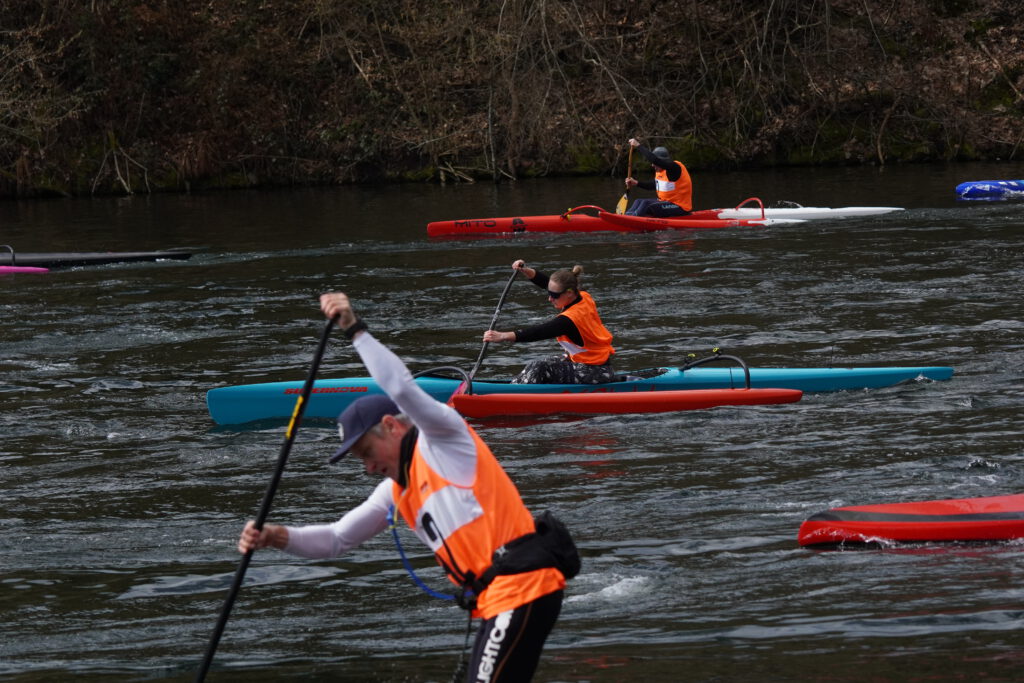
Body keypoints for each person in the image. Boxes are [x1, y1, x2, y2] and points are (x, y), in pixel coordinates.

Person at [238, 292, 577, 682]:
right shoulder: (395, 492)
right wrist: (275, 537)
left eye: (367, 451)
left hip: (522, 586)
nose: (368, 467)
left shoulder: (444, 439)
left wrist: (353, 328)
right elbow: (336, 539)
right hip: (498, 599)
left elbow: (400, 388)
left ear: (391, 426)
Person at [482, 260, 616, 384]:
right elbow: (547, 283)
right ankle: (516, 385)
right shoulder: (583, 296)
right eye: (549, 293)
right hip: (589, 362)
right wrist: (525, 270)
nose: (550, 299)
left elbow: (539, 332)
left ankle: (512, 393)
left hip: (595, 371)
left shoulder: (568, 320)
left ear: (569, 293)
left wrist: (503, 336)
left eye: (554, 296)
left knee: (539, 367)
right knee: (542, 363)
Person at [623, 137, 693, 217]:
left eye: (654, 163)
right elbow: (654, 185)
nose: (652, 165)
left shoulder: (674, 168)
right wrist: (636, 183)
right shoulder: (660, 171)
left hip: (680, 207)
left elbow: (655, 160)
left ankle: (632, 219)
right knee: (638, 201)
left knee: (646, 204)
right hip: (665, 202)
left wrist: (638, 145)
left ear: (662, 161)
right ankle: (626, 217)